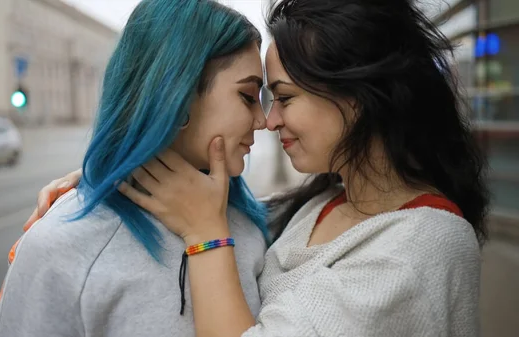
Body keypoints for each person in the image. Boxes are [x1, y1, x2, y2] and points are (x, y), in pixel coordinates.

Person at [29, 0, 490, 336]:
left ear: (360, 98)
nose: (269, 121)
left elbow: (207, 217)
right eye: (255, 97)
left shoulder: (424, 246)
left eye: (282, 97)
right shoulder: (327, 203)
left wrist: (205, 233)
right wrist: (114, 174)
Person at [0, 1, 270, 336]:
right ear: (176, 94)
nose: (262, 120)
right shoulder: (59, 247)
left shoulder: (253, 227)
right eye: (247, 96)